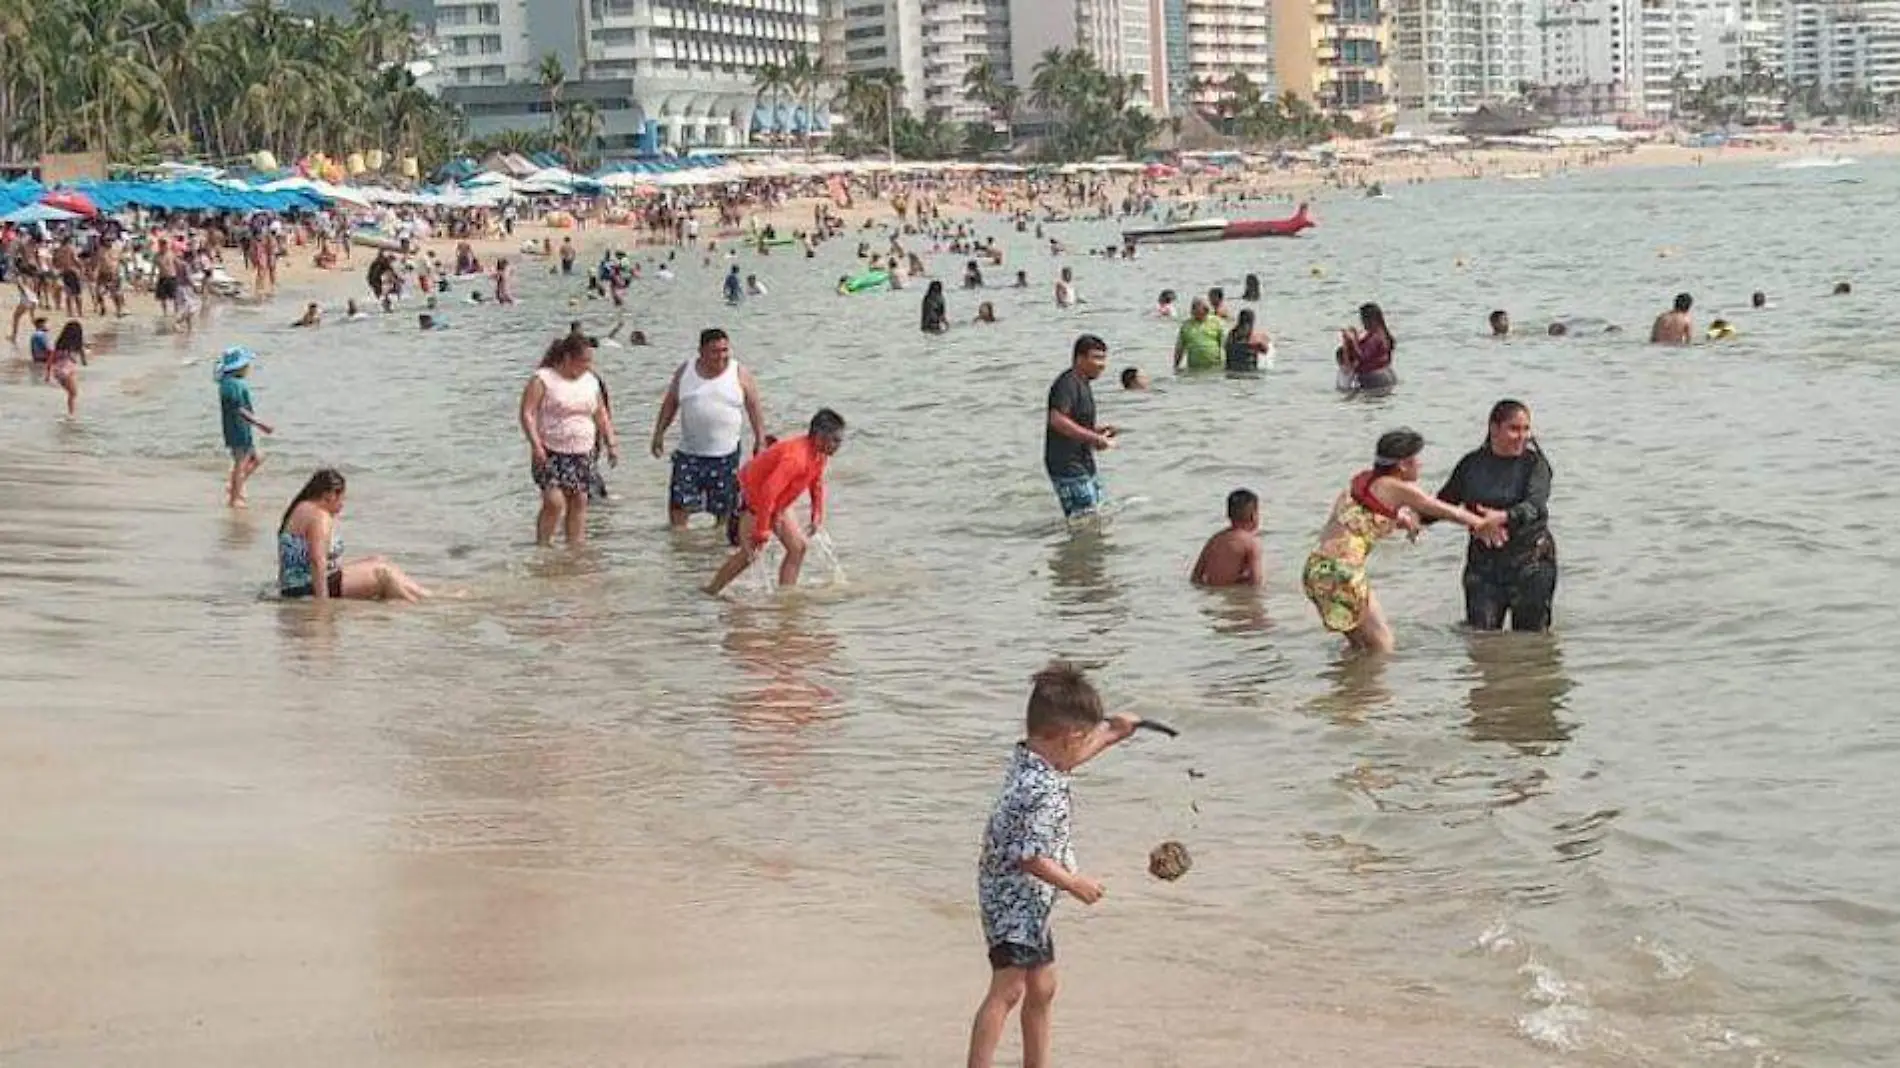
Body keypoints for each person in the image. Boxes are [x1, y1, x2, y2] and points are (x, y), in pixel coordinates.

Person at [966, 661, 1139, 1068]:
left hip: (1029, 901)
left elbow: (1070, 759)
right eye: (1085, 738)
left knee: (1043, 986)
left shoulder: (1033, 758)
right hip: (1011, 899)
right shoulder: (1038, 788)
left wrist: (1113, 732)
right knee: (1008, 989)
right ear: (1067, 737)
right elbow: (1030, 857)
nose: (1083, 749)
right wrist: (1075, 884)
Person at [1302, 429, 1506, 653]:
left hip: (1318, 570)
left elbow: (1361, 518)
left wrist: (1401, 520)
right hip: (1343, 572)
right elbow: (1442, 509)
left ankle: (1354, 686)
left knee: (1361, 646)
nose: (1420, 465)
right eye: (1416, 460)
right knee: (1383, 644)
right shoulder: (1399, 488)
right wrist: (1480, 523)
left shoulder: (1365, 482)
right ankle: (1374, 688)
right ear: (1402, 465)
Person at [1433, 400, 1557, 632]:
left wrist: (1502, 517)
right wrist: (1409, 517)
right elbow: (1443, 503)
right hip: (1483, 566)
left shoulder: (1535, 464)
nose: (1521, 436)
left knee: (1532, 643)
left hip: (1532, 561)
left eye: (1526, 429)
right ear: (1494, 428)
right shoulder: (1471, 464)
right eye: (1514, 429)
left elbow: (1535, 506)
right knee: (1481, 640)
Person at [705, 408, 845, 596]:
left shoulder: (820, 455)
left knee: (798, 548)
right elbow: (767, 491)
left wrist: (816, 515)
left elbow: (816, 482)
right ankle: (710, 591)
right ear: (819, 437)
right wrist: (762, 528)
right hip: (751, 497)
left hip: (775, 501)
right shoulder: (796, 458)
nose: (839, 445)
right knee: (750, 554)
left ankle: (786, 598)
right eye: (835, 440)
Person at [650, 327, 768, 530]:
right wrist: (659, 434)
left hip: (725, 456)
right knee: (679, 510)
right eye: (715, 351)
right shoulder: (685, 371)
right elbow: (670, 403)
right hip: (689, 455)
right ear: (701, 352)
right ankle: (681, 554)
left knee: (724, 514)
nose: (721, 356)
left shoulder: (738, 372)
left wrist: (760, 439)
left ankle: (714, 554)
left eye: (725, 350)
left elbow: (754, 406)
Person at [519, 333, 619, 547]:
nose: (588, 365)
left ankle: (575, 547)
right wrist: (536, 445)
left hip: (583, 451)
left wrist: (611, 443)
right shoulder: (543, 379)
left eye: (590, 361)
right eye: (584, 361)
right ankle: (543, 545)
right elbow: (527, 413)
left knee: (579, 500)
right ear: (567, 358)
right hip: (550, 450)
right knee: (554, 502)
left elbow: (601, 413)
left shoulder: (590, 381)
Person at [277, 468, 427, 602]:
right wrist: (322, 602)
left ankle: (423, 595)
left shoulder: (301, 507)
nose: (342, 505)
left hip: (295, 585)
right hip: (306, 587)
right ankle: (415, 605)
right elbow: (317, 561)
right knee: (383, 575)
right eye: (342, 498)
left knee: (379, 560)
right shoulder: (319, 515)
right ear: (329, 495)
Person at [1045, 334, 1116, 519]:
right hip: (1067, 465)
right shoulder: (1067, 383)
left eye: (1104, 358)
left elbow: (1073, 423)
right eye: (1096, 357)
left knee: (1096, 515)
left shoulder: (1082, 383)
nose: (1102, 364)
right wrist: (1094, 438)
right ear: (1080, 359)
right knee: (1083, 520)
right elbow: (1057, 420)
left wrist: (1097, 431)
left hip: (1083, 462)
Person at [216, 347, 273, 508]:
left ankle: (234, 486)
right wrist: (260, 423)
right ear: (239, 367)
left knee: (257, 457)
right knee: (240, 462)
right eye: (246, 364)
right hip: (237, 428)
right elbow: (239, 409)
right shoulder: (232, 385)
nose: (249, 368)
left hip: (242, 427)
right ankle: (235, 498)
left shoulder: (231, 383)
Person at [1190, 489, 1263, 587]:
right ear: (1254, 516)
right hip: (1236, 597)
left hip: (1214, 596)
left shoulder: (1214, 540)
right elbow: (1256, 581)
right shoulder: (1251, 543)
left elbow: (1195, 577)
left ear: (1228, 515)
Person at [1339, 302, 1396, 392]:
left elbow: (1363, 357)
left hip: (1374, 378)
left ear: (1372, 319)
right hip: (1385, 374)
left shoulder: (1375, 338)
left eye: (1363, 319)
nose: (1362, 323)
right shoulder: (1382, 334)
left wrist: (1352, 341)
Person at [1172, 296, 1225, 373]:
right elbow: (1179, 348)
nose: (1193, 311)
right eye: (1193, 308)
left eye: (1206, 309)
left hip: (1215, 366)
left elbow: (1224, 343)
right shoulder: (1186, 325)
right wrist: (1176, 366)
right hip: (1194, 367)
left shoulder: (1217, 322)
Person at [45, 319, 87, 416]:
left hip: (58, 371)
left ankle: (71, 414)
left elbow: (51, 359)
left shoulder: (60, 344)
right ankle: (71, 416)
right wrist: (84, 361)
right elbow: (83, 359)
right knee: (73, 393)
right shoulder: (77, 344)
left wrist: (47, 374)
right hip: (67, 370)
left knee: (71, 393)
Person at [1223, 308, 1273, 373]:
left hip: (1232, 372)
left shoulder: (1232, 334)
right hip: (1248, 371)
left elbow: (1226, 347)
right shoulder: (1256, 336)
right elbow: (1265, 351)